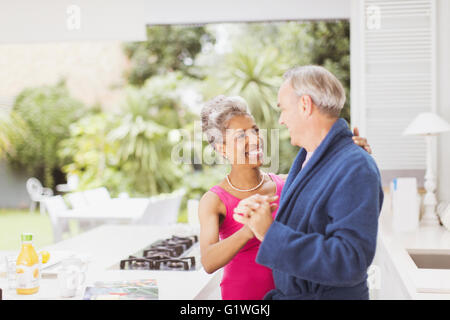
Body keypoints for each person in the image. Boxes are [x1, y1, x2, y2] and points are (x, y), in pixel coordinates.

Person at [198, 93, 372, 300]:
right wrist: (251, 229)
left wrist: (354, 157)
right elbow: (208, 261)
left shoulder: (288, 182)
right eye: (241, 136)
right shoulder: (214, 200)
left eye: (254, 130)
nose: (255, 140)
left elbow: (333, 184)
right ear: (222, 148)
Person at [233, 65, 384, 300]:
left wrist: (269, 233)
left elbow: (350, 260)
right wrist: (259, 216)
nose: (281, 120)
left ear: (305, 105)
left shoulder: (355, 166)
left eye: (283, 109)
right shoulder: (308, 160)